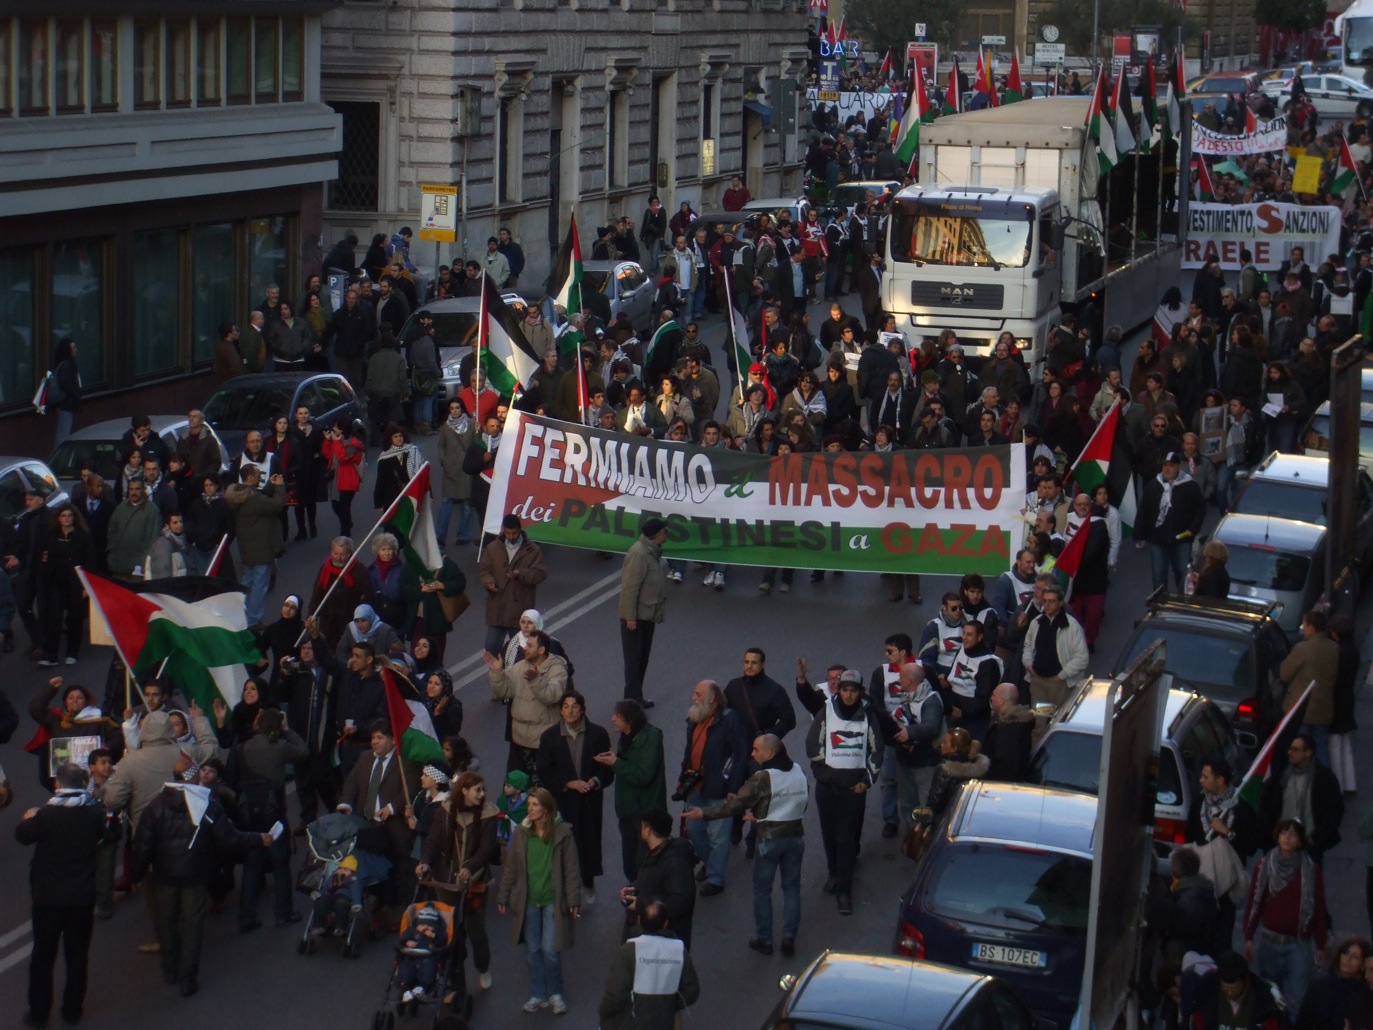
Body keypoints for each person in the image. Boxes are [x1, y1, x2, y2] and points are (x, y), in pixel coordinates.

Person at [130, 756, 270, 996]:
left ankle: (170, 969)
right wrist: (259, 838)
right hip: (195, 874)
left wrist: (136, 873)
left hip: (165, 875)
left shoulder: (155, 806)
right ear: (192, 776)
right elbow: (230, 838)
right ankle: (188, 978)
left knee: (167, 922)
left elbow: (143, 846)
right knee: (193, 925)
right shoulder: (206, 804)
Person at [684, 733, 807, 956]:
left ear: (768, 754)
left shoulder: (762, 778)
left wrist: (704, 813)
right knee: (791, 888)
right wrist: (761, 813)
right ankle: (789, 936)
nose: (752, 753)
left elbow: (733, 806)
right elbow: (797, 803)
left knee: (762, 889)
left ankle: (764, 938)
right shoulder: (798, 771)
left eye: (756, 750)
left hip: (769, 840)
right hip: (795, 838)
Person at [16, 762, 106, 1028]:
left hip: (48, 898)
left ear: (58, 785)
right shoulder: (93, 813)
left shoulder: (46, 816)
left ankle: (39, 1013)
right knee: (77, 956)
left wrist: (28, 818)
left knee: (43, 957)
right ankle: (72, 1009)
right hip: (82, 897)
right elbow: (105, 834)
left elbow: (22, 835)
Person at [806, 669, 886, 917]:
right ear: (838, 690)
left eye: (853, 690)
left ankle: (844, 889)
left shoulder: (868, 716)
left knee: (846, 838)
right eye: (844, 690)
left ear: (859, 692)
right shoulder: (827, 712)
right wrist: (825, 774)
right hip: (828, 788)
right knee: (829, 834)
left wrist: (866, 782)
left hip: (854, 789)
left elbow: (877, 751)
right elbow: (812, 746)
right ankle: (833, 873)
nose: (848, 695)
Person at [496, 787, 581, 1016]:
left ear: (547, 808)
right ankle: (537, 994)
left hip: (552, 899)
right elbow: (511, 868)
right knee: (532, 949)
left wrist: (573, 899)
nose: (530, 809)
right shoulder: (522, 833)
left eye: (535, 805)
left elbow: (571, 869)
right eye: (530, 804)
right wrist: (503, 895)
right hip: (529, 900)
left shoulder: (563, 833)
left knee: (551, 949)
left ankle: (555, 992)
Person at [417, 770, 500, 993]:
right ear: (463, 791)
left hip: (476, 880)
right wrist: (425, 863)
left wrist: (470, 868)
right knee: (449, 929)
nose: (482, 794)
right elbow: (433, 841)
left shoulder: (489, 814)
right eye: (477, 790)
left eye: (483, 789)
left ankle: (483, 967)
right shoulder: (445, 810)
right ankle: (454, 973)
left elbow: (486, 848)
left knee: (476, 929)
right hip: (447, 878)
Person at [1243, 818, 1329, 1014]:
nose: (1287, 838)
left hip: (1298, 945)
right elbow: (1254, 902)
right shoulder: (1263, 866)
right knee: (1269, 997)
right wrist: (1248, 936)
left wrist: (1320, 944)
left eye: (1292, 834)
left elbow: (1318, 908)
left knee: (1295, 1000)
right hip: (1269, 941)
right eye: (1283, 833)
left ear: (1300, 841)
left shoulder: (1310, 870)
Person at [536, 692, 613, 907]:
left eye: (574, 706)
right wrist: (567, 783)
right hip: (563, 800)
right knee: (563, 844)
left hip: (589, 801)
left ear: (582, 709)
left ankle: (587, 883)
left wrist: (594, 782)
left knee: (588, 843)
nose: (570, 711)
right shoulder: (550, 737)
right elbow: (543, 770)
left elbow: (608, 769)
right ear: (560, 710)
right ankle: (566, 888)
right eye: (566, 706)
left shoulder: (598, 734)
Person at [678, 680, 750, 896]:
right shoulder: (695, 719)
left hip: (719, 789)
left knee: (719, 837)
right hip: (696, 788)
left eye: (698, 693)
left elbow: (740, 755)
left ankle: (716, 878)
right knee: (694, 830)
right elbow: (688, 752)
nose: (694, 697)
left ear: (712, 698)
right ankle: (712, 867)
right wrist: (683, 777)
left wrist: (733, 786)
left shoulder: (729, 721)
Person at [594, 700, 667, 883]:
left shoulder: (651, 738)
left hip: (645, 812)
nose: (612, 719)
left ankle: (643, 899)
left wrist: (616, 763)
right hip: (627, 811)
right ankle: (636, 892)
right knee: (629, 863)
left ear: (629, 720)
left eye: (617, 716)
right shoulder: (626, 736)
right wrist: (614, 760)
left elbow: (644, 775)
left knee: (644, 862)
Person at [598, 900, 701, 1030]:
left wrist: (604, 1014)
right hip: (665, 1021)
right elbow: (691, 991)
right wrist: (668, 1005)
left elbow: (615, 994)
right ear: (665, 923)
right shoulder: (679, 951)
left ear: (640, 920)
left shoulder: (628, 951)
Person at [485, 629, 567, 780]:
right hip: (519, 741)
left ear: (541, 650)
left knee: (540, 790)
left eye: (530, 646)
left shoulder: (557, 670)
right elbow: (505, 692)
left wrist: (536, 680)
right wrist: (497, 673)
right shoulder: (520, 667)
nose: (524, 648)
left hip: (543, 742)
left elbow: (551, 696)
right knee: (518, 786)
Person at [1257, 732, 1344, 864]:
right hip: (1280, 843)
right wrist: (1271, 832)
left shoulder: (1324, 778)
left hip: (1309, 844)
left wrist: (1316, 837)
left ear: (1308, 753)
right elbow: (1265, 804)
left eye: (1296, 749)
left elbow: (1335, 811)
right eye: (1290, 748)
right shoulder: (1279, 775)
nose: (1290, 752)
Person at [618, 808, 697, 948]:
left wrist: (641, 905)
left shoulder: (675, 862)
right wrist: (635, 887)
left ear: (648, 830)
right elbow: (655, 880)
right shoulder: (654, 852)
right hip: (649, 938)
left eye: (642, 825)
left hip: (661, 946)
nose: (639, 829)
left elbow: (679, 902)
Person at [225, 463, 285, 629]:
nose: (260, 477)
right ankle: (253, 619)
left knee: (247, 581)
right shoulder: (253, 498)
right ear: (250, 478)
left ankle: (240, 612)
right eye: (258, 475)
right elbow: (275, 506)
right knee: (260, 584)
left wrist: (270, 485)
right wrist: (279, 488)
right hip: (260, 546)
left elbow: (260, 498)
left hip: (247, 546)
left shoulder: (240, 494)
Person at [478, 513, 547, 659]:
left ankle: (516, 676)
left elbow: (540, 573)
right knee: (491, 646)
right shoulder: (493, 548)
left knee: (521, 652)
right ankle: (500, 673)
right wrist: (489, 581)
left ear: (519, 530)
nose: (511, 536)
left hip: (519, 610)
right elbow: (485, 570)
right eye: (508, 533)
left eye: (514, 533)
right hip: (498, 607)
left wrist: (521, 573)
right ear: (503, 530)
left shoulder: (533, 550)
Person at [1279, 609, 1340, 767]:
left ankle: (1299, 780)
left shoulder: (1302, 649)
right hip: (1324, 708)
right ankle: (1322, 780)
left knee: (1298, 748)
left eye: (1304, 625)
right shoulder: (1334, 648)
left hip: (1302, 709)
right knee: (1320, 747)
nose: (1302, 628)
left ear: (1311, 627)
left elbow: (1285, 673)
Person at [619, 519, 668, 708]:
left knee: (642, 657)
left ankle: (635, 695)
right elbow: (630, 588)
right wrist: (629, 616)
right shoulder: (639, 554)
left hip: (647, 614)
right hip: (636, 617)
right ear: (656, 535)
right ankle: (632, 699)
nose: (666, 535)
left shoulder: (650, 552)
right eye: (664, 532)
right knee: (634, 659)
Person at [1021, 583, 1089, 714]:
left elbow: (1082, 658)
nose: (1046, 605)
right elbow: (1028, 646)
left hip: (1058, 684)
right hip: (1038, 682)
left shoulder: (1072, 626)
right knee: (1040, 719)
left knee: (1057, 718)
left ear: (1060, 603)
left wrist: (1061, 676)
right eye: (1044, 601)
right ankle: (1040, 735)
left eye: (1051, 601)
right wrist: (1029, 665)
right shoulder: (1036, 623)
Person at [1295, 937, 1372, 1030]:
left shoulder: (1365, 991)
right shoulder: (1319, 986)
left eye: (1355, 957)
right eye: (1345, 953)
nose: (1348, 959)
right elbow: (1302, 1023)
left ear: (1362, 965)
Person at [435, 398, 477, 548]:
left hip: (466, 469)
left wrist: (479, 431)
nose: (454, 411)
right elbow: (441, 446)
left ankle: (464, 535)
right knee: (446, 504)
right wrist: (443, 460)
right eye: (452, 408)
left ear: (462, 409)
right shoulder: (445, 427)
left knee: (467, 505)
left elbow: (477, 444)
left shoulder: (472, 424)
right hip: (450, 470)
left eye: (457, 408)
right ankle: (439, 536)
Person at [924, 728, 990, 816]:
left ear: (954, 748)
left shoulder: (945, 771)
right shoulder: (981, 769)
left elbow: (935, 802)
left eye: (945, 742)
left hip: (948, 818)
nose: (941, 745)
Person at [321, 419, 366, 537]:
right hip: (336, 480)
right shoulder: (338, 442)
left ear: (342, 430)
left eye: (335, 428)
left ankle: (345, 534)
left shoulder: (354, 444)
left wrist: (336, 442)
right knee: (335, 505)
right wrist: (328, 441)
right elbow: (327, 454)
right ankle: (347, 524)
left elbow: (343, 457)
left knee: (344, 507)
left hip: (348, 480)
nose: (333, 430)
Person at [982, 683, 1035, 782]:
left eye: (993, 695)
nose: (991, 698)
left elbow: (1006, 766)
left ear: (1001, 701)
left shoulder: (1009, 730)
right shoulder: (1015, 725)